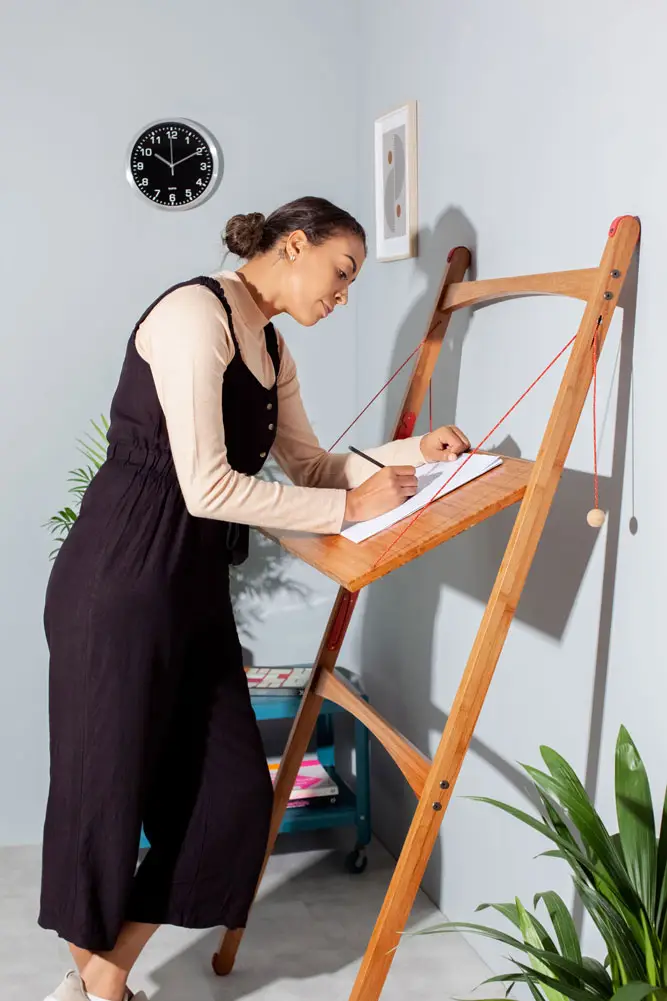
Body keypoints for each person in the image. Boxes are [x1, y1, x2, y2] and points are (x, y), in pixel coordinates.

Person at [40, 196, 470, 1001]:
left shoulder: (271, 346)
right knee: (102, 792)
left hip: (194, 587)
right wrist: (352, 507)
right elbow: (205, 486)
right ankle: (102, 991)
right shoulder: (189, 315)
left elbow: (308, 467)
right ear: (293, 244)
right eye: (339, 273)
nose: (340, 296)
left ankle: (97, 982)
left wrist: (417, 453)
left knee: (234, 798)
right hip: (120, 576)